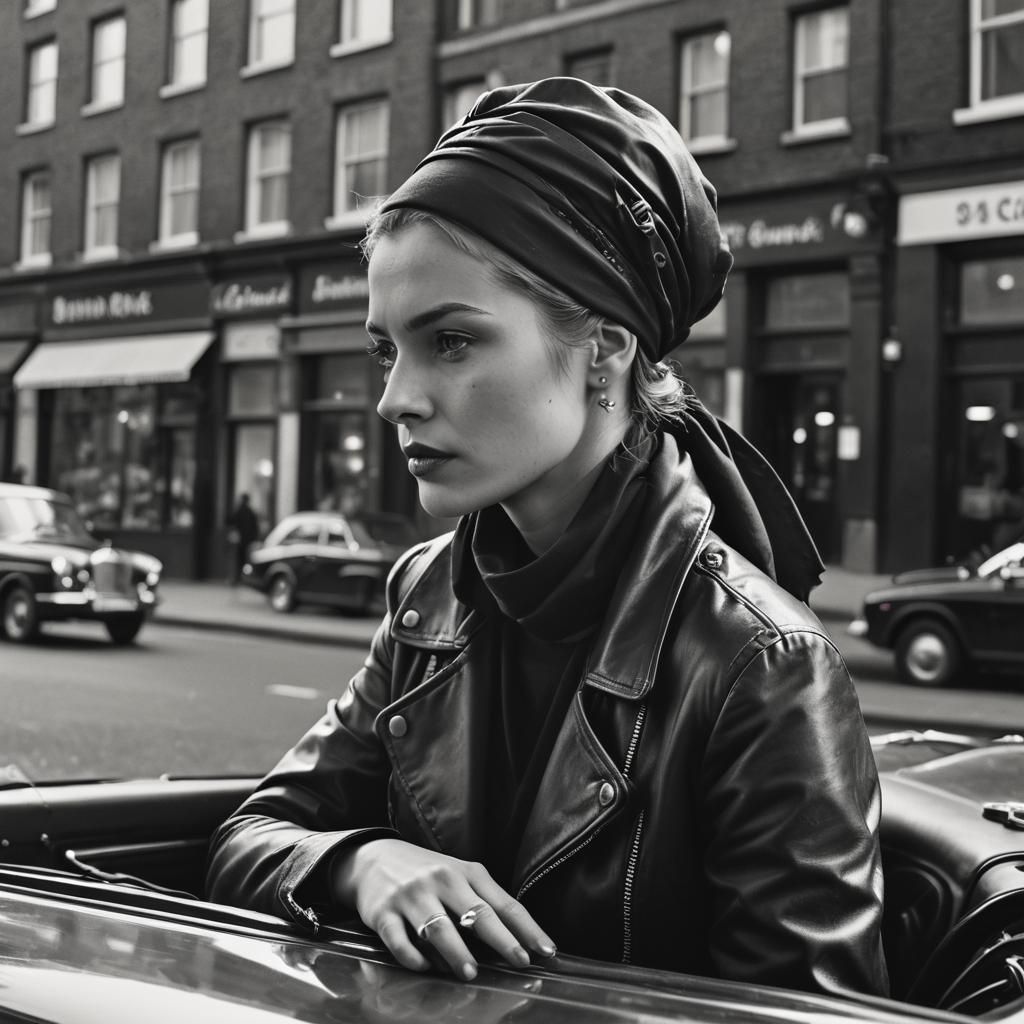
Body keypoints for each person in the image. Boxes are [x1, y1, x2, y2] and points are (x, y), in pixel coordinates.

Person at [206, 78, 888, 998]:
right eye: (385, 348)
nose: (393, 398)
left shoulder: (761, 664)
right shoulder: (427, 596)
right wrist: (360, 864)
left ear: (604, 349)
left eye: (450, 342)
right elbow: (255, 836)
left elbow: (813, 1014)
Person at [227, 492, 260, 585]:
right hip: (248, 541)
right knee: (246, 559)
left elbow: (230, 521)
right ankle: (244, 577)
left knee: (239, 560)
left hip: (241, 540)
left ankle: (238, 578)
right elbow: (255, 527)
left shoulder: (239, 511)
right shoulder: (250, 512)